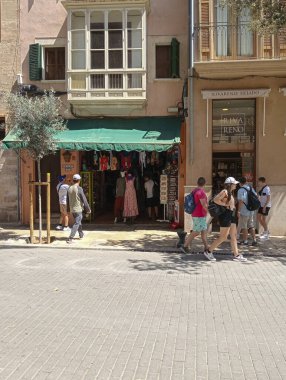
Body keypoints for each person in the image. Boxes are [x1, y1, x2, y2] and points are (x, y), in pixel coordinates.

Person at [204, 177, 247, 262]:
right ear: (230, 185)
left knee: (233, 236)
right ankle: (208, 251)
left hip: (231, 215)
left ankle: (236, 255)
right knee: (223, 237)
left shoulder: (230, 192)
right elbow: (215, 200)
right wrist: (225, 205)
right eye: (234, 183)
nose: (236, 185)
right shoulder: (225, 191)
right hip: (225, 216)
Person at [180, 177, 209, 253]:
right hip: (200, 214)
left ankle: (206, 248)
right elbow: (204, 204)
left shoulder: (195, 191)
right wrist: (209, 212)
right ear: (205, 184)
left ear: (197, 183)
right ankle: (185, 246)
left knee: (204, 232)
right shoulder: (201, 192)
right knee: (196, 231)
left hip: (197, 214)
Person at [66, 174, 91, 244]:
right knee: (77, 223)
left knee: (78, 221)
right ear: (79, 180)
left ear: (73, 180)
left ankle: (81, 234)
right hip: (78, 209)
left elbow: (68, 199)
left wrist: (68, 209)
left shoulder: (69, 188)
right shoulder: (79, 188)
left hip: (72, 209)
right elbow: (84, 199)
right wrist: (88, 209)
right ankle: (70, 238)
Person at [237, 177, 258, 246]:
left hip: (244, 211)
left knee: (244, 226)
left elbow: (241, 201)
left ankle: (245, 241)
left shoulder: (240, 190)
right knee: (251, 225)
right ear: (245, 181)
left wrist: (239, 211)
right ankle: (254, 240)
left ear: (240, 183)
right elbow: (256, 196)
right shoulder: (251, 188)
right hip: (251, 210)